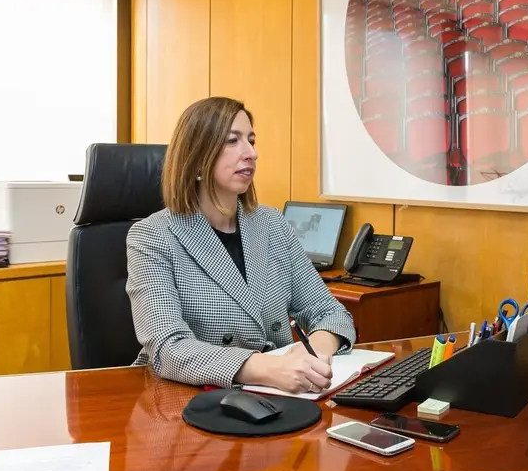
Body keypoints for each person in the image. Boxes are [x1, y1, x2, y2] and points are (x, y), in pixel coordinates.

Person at [125, 96, 356, 394]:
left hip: (280, 397)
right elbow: (168, 347)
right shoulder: (153, 236)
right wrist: (266, 368)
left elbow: (329, 311)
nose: (251, 153)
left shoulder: (272, 224)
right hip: (188, 401)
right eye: (232, 141)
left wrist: (316, 355)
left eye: (251, 140)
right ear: (196, 158)